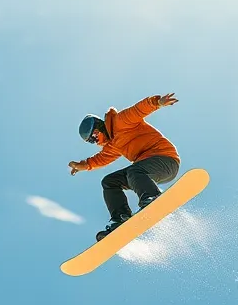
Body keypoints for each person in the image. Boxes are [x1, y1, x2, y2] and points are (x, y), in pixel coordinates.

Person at [69, 92, 180, 241]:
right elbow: (101, 158)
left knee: (134, 171)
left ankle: (152, 197)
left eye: (94, 137)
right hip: (147, 170)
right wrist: (84, 165)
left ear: (98, 128)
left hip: (166, 160)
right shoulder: (113, 145)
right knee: (109, 181)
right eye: (91, 142)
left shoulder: (121, 121)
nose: (95, 142)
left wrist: (158, 102)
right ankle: (120, 218)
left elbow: (139, 109)